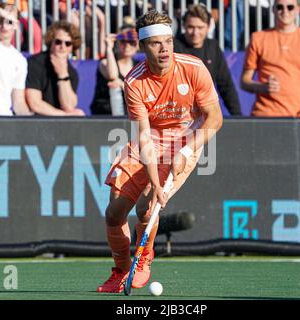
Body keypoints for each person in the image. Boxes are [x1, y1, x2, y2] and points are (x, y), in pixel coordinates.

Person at [97, 10, 223, 293]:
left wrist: (188, 149)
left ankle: (143, 259)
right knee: (114, 214)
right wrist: (154, 180)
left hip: (184, 143)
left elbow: (215, 119)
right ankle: (120, 271)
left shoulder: (193, 68)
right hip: (147, 143)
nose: (165, 49)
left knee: (145, 208)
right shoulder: (134, 82)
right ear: (143, 47)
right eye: (156, 44)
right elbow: (143, 136)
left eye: (168, 41)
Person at [241, 0, 300, 117]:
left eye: (290, 7)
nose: (285, 11)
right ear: (273, 9)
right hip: (266, 115)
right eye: (280, 7)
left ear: (298, 9)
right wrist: (261, 87)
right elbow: (244, 81)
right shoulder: (258, 38)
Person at [174, 4, 242, 116]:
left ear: (208, 26)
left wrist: (238, 117)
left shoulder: (213, 47)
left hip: (206, 113)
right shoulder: (174, 46)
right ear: (184, 25)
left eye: (200, 28)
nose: (195, 33)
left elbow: (226, 85)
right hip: (178, 113)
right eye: (191, 27)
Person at [25, 20, 85, 116]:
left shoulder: (71, 72)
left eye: (68, 43)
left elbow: (69, 106)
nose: (63, 47)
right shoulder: (34, 63)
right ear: (51, 42)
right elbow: (34, 104)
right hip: (36, 121)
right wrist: (64, 116)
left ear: (72, 47)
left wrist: (63, 74)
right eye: (58, 42)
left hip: (59, 122)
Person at [90, 24, 139, 115]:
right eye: (123, 41)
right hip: (105, 112)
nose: (127, 46)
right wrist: (109, 48)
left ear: (138, 45)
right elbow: (112, 76)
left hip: (130, 113)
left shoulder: (139, 66)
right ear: (117, 42)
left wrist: (121, 84)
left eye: (132, 42)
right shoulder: (105, 62)